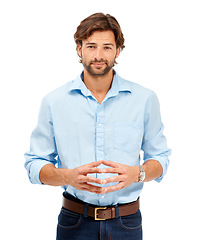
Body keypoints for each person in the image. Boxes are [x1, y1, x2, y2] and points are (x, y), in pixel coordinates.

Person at [24, 12, 171, 240]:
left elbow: (160, 158)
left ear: (118, 51)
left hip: (127, 222)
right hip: (74, 222)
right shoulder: (54, 102)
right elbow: (35, 164)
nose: (99, 55)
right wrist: (67, 177)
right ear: (79, 48)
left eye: (107, 47)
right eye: (91, 46)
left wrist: (137, 173)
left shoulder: (144, 99)